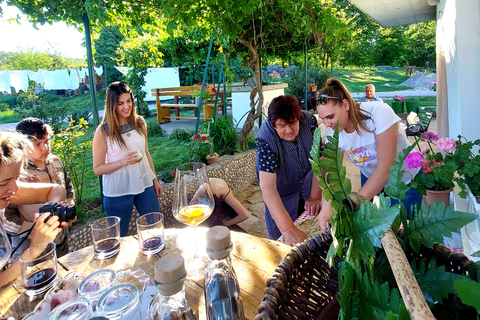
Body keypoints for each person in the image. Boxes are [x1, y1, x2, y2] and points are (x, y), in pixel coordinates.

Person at [315, 78, 422, 230]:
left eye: (330, 117)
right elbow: (332, 171)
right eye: (323, 119)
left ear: (345, 104)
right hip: (371, 176)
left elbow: (386, 168)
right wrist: (327, 205)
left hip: (405, 179)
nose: (327, 124)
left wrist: (352, 204)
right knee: (373, 229)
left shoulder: (379, 113)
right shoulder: (334, 132)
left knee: (402, 233)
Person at [92, 81, 162, 236]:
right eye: (120, 103)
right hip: (118, 189)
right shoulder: (103, 131)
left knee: (156, 227)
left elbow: (146, 153)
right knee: (119, 236)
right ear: (112, 105)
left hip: (145, 184)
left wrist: (154, 180)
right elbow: (97, 169)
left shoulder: (140, 122)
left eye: (129, 101)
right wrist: (122, 162)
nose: (126, 106)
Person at [0, 131, 67, 288]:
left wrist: (51, 211)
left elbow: (56, 189)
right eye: (4, 183)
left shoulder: (8, 191)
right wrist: (34, 249)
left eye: (17, 177)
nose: (16, 187)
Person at [256, 95, 323, 246]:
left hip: (306, 183)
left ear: (298, 118)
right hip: (280, 193)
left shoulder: (310, 121)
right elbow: (267, 187)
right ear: (273, 125)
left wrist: (314, 196)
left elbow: (321, 160)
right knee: (282, 244)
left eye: (292, 123)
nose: (288, 130)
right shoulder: (265, 138)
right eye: (281, 125)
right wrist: (287, 229)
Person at [3, 118, 75, 258]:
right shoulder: (17, 174)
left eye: (47, 141)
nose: (45, 148)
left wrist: (69, 206)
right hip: (31, 244)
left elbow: (66, 185)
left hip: (60, 237)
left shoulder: (55, 161)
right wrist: (33, 230)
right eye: (37, 144)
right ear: (23, 146)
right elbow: (7, 216)